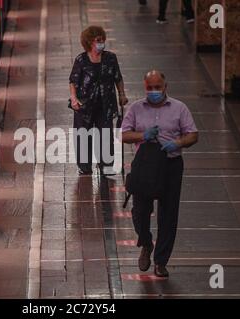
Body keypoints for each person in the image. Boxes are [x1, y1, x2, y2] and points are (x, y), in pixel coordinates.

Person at [121, 70, 199, 277]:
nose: (154, 91)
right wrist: (142, 135)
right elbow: (125, 134)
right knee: (139, 212)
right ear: (144, 86)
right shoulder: (136, 108)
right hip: (145, 165)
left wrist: (179, 142)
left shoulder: (179, 108)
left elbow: (193, 134)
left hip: (170, 165)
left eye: (158, 87)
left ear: (166, 87)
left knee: (168, 214)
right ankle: (146, 242)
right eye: (150, 87)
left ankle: (161, 261)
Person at [69, 26, 128, 175]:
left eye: (103, 40)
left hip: (105, 103)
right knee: (83, 134)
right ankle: (84, 166)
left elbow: (118, 77)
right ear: (89, 42)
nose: (102, 43)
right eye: (98, 40)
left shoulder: (110, 58)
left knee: (106, 134)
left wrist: (121, 94)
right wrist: (74, 99)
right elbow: (73, 81)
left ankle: (106, 165)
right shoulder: (81, 60)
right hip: (85, 105)